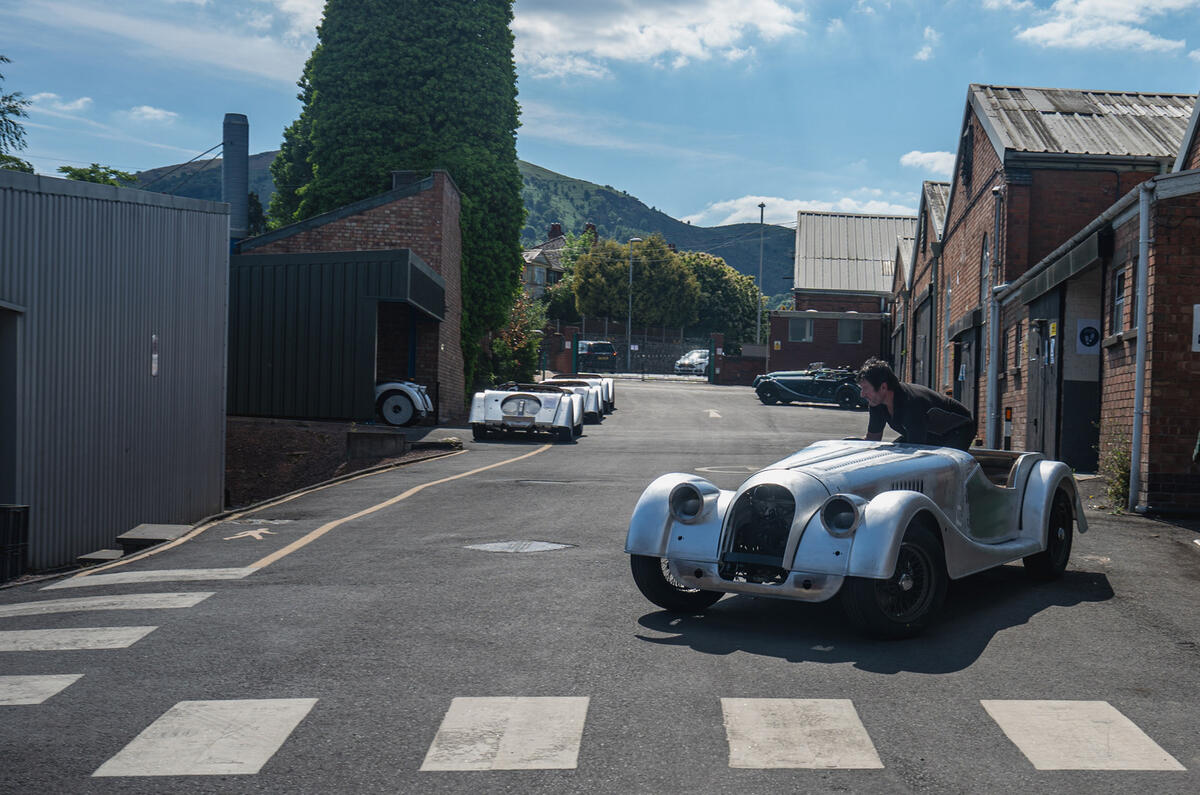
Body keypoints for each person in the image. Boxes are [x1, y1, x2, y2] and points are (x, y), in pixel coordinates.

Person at [856, 357, 975, 451]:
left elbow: (916, 450)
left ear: (883, 387)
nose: (862, 394)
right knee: (891, 452)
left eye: (865, 388)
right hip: (927, 433)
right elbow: (873, 439)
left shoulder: (911, 403)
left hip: (959, 429)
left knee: (940, 465)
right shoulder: (876, 403)